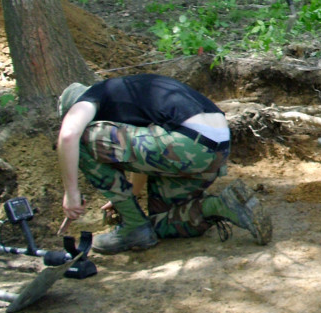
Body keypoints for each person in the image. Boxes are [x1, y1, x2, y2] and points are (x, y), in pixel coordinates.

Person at [55, 74, 271, 254]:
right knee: (161, 222)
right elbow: (143, 157)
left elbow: (67, 137)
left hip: (188, 143)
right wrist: (125, 198)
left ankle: (133, 226)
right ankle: (222, 205)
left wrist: (71, 194)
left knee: (79, 139)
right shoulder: (127, 92)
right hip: (216, 146)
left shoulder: (93, 96)